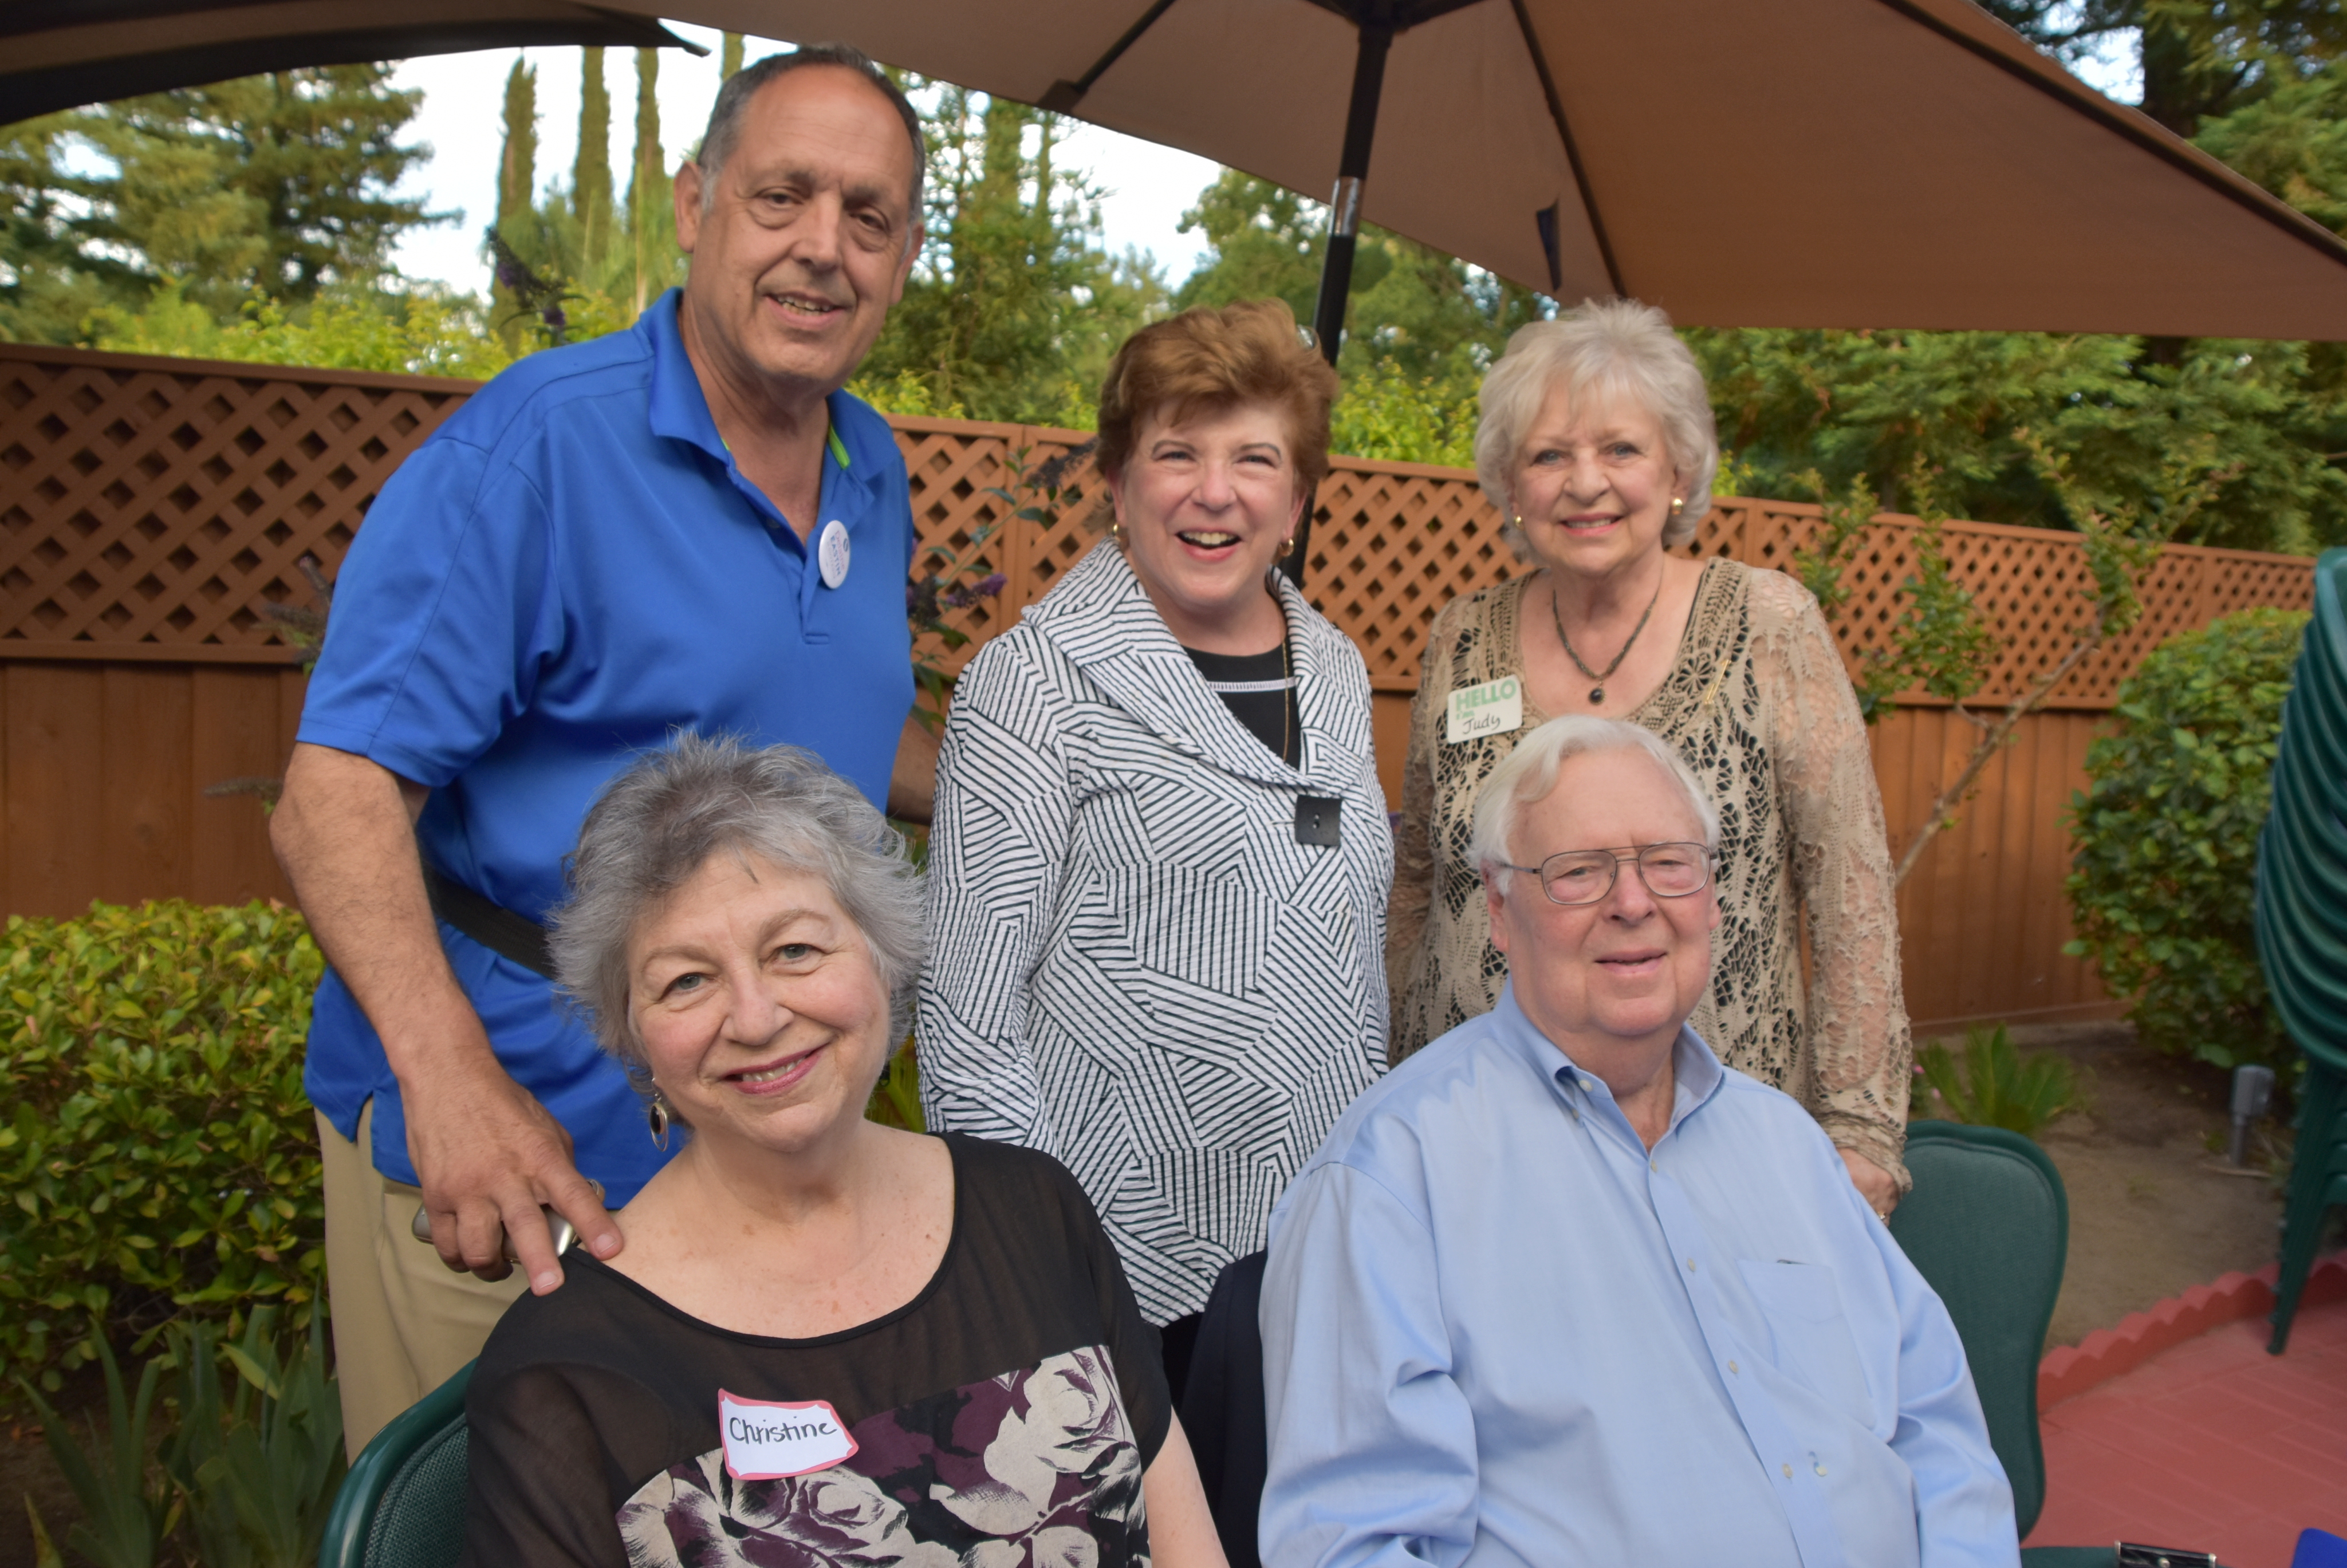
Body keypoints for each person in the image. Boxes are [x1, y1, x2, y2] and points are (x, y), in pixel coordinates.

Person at [270, 44, 939, 1453]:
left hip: (750, 1137)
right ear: (697, 205)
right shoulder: (539, 450)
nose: (824, 247)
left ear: (903, 257)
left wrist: (1061, 767)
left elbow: (834, 725)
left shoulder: (870, 466)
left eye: (868, 216)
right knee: (510, 1518)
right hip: (523, 1142)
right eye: (783, 197)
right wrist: (456, 1086)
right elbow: (333, 794)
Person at [1260, 716, 2017, 1568]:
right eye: (1578, 871)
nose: (1633, 903)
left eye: (1668, 862)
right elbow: (1349, 1546)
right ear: (1501, 911)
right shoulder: (1390, 1179)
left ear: (1711, 896)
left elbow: (1937, 1429)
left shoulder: (1787, 1145)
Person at [459, 735, 1226, 1568]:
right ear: (633, 1034)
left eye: (795, 950)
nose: (756, 1019)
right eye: (687, 980)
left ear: (882, 959)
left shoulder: (1036, 1211)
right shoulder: (564, 1370)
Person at [918, 300, 1392, 1398]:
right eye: (1176, 452)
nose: (1213, 491)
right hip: (1119, 1279)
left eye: (1254, 459)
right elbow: (965, 1021)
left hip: (1317, 1246)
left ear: (1296, 500)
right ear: (1118, 482)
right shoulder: (1032, 687)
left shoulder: (1335, 671)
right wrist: (1041, 1272)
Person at [1386, 297, 1912, 1211]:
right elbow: (1419, 879)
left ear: (1677, 470)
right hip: (1476, 1134)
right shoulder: (1462, 637)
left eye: (1620, 449)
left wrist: (1859, 1129)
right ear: (1510, 486)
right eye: (1549, 456)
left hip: (1712, 1139)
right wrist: (1391, 1077)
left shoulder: (1766, 623)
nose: (1584, 482)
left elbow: (1848, 887)